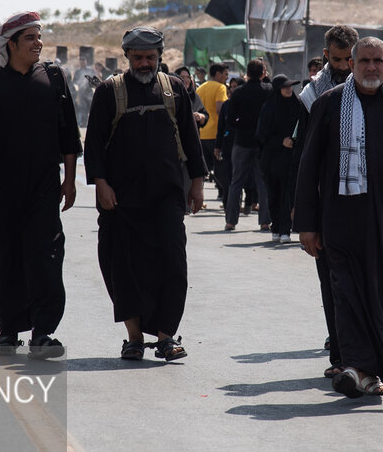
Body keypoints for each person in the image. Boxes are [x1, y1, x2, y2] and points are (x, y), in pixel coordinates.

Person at [294, 37, 383, 397]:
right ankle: (355, 366)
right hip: (340, 219)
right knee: (345, 291)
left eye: (378, 60)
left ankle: (369, 372)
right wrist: (307, 225)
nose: (371, 67)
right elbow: (307, 167)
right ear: (352, 64)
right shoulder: (329, 105)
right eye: (364, 61)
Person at [0, 12, 82, 359]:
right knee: (4, 259)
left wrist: (69, 180)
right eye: (30, 37)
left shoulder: (55, 78)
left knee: (46, 257)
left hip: (44, 188)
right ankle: (8, 332)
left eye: (39, 37)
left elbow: (68, 135)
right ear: (10, 44)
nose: (38, 43)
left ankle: (43, 332)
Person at [84, 27, 207, 361]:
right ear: (127, 57)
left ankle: (167, 337)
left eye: (150, 57)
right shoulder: (110, 91)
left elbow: (191, 139)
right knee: (122, 267)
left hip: (166, 196)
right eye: (137, 57)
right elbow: (93, 142)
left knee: (172, 264)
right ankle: (134, 338)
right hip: (121, 200)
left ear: (159, 57)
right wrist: (101, 184)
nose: (144, 63)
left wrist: (197, 182)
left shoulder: (175, 89)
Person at [293, 25, 359, 375]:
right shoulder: (312, 96)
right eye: (337, 60)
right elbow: (304, 157)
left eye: (350, 60)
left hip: (366, 201)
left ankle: (363, 356)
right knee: (331, 281)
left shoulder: (381, 93)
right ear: (325, 57)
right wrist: (304, 213)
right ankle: (340, 352)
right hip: (327, 201)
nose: (345, 68)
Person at [223, 59, 273, 231]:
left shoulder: (238, 92)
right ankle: (265, 221)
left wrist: (242, 125)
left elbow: (230, 119)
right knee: (263, 182)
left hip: (242, 141)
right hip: (262, 143)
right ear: (263, 73)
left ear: (247, 73)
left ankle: (231, 221)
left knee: (236, 182)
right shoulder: (269, 91)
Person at [255, 74, 301, 243]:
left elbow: (303, 128)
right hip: (272, 160)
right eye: (285, 87)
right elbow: (261, 134)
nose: (289, 89)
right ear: (277, 89)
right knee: (274, 195)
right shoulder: (269, 108)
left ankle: (285, 230)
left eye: (290, 86)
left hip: (291, 159)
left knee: (287, 195)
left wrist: (295, 141)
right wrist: (281, 141)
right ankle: (276, 227)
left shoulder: (297, 105)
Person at [197, 63, 230, 201]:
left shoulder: (201, 88)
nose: (226, 78)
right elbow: (219, 109)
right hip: (215, 134)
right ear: (218, 74)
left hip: (202, 133)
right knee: (221, 167)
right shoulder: (221, 87)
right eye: (225, 74)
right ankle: (225, 194)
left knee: (204, 168)